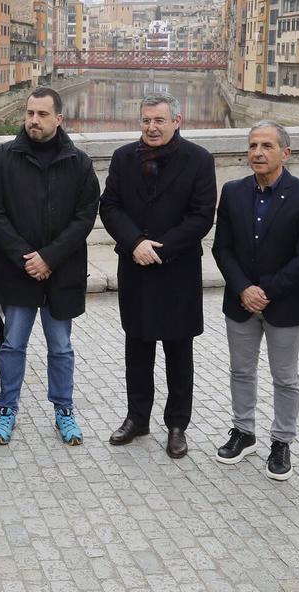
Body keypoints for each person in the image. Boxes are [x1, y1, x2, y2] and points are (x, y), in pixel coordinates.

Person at [0, 87, 100, 446]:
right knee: (13, 345)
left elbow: (84, 217)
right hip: (18, 270)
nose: (34, 120)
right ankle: (7, 409)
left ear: (59, 119)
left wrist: (49, 257)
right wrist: (26, 258)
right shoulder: (2, 158)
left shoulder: (79, 163)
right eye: (30, 113)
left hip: (60, 271)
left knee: (60, 347)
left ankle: (64, 410)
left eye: (42, 114)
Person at [99, 92, 216, 459]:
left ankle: (177, 425)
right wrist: (135, 242)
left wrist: (159, 248)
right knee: (137, 347)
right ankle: (137, 418)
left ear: (176, 122)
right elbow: (110, 206)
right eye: (146, 120)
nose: (152, 127)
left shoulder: (198, 160)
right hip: (135, 266)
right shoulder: (122, 158)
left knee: (179, 350)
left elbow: (201, 216)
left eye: (159, 121)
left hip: (177, 268)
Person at [211, 121, 299, 480]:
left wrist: (266, 291)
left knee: (285, 377)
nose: (257, 153)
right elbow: (222, 248)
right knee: (241, 371)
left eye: (266, 146)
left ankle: (281, 442)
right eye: (252, 146)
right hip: (240, 300)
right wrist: (244, 288)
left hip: (285, 304)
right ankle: (243, 432)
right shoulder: (232, 192)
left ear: (285, 153)